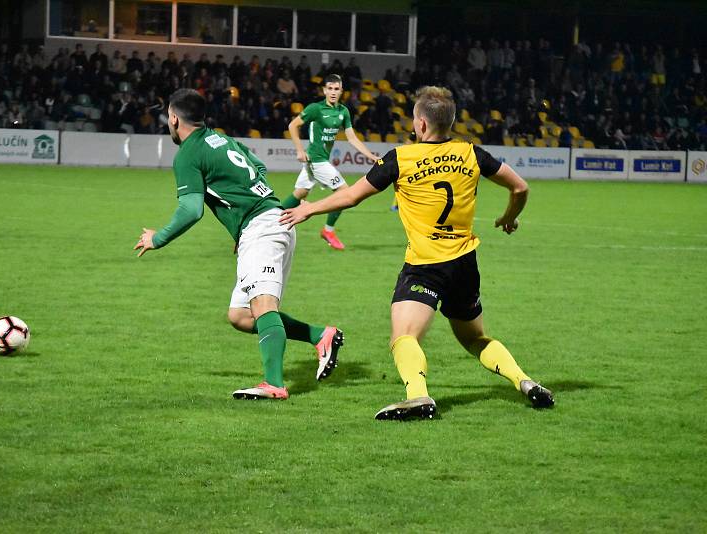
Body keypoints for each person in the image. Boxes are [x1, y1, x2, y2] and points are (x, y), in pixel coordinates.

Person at [281, 86, 554, 420]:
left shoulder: (401, 158)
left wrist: (308, 210)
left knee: (404, 335)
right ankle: (523, 381)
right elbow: (520, 187)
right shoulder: (471, 152)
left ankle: (418, 396)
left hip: (426, 264)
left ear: (421, 125)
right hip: (465, 263)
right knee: (475, 338)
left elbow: (351, 196)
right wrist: (508, 218)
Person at [134, 89, 343, 400]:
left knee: (262, 305)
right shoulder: (223, 139)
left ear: (174, 118)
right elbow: (258, 168)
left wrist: (158, 238)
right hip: (266, 224)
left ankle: (274, 384)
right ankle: (320, 336)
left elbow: (191, 209)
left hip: (262, 229)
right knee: (240, 315)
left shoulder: (189, 153)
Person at [282, 74, 378, 250]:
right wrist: (299, 149)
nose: (333, 92)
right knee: (345, 193)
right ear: (324, 90)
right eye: (330, 89)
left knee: (299, 194)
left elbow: (352, 138)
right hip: (316, 160)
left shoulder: (343, 112)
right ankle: (328, 231)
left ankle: (270, 222)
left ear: (341, 91)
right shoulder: (315, 109)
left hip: (319, 160)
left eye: (336, 89)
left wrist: (370, 156)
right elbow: (292, 126)